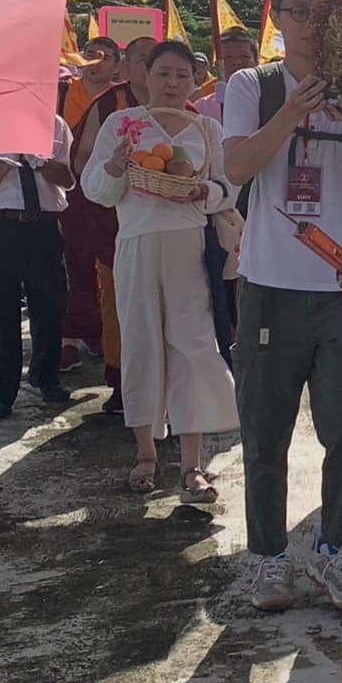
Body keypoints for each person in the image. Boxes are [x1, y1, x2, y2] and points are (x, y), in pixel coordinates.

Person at [223, 0, 342, 613]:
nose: (305, 26)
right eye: (295, 12)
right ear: (276, 16)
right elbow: (236, 169)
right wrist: (293, 110)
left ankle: (335, 549)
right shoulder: (253, 86)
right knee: (264, 430)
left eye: (319, 16)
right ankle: (268, 556)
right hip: (271, 284)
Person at [82, 39, 239, 497]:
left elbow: (228, 188)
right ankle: (145, 453)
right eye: (163, 73)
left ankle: (192, 464)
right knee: (141, 340)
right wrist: (114, 165)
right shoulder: (121, 123)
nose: (172, 83)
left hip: (189, 245)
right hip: (135, 242)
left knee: (193, 344)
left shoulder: (207, 127)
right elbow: (96, 190)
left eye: (181, 75)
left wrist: (203, 193)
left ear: (194, 80)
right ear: (143, 76)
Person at [0, 118, 75, 428]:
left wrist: (39, 162)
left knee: (51, 303)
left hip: (43, 225)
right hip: (1, 226)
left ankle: (46, 377)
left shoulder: (54, 125)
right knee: (0, 312)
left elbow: (67, 179)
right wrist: (7, 162)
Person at [72, 33, 157, 414]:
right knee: (118, 301)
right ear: (125, 65)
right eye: (141, 59)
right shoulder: (110, 103)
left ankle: (163, 382)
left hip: (166, 222)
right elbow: (82, 160)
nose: (149, 68)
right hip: (115, 218)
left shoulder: (182, 106)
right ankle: (123, 380)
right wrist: (114, 173)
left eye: (155, 60)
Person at [58, 35, 121, 369]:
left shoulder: (120, 98)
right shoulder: (65, 93)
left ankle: (100, 333)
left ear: (116, 64)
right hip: (69, 188)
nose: (98, 61)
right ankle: (69, 335)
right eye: (90, 55)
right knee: (74, 263)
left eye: (106, 56)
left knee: (107, 263)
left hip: (111, 189)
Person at [197, 26, 259, 124]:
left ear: (257, 62)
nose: (236, 62)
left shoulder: (269, 102)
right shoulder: (201, 108)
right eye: (228, 56)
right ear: (218, 64)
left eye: (244, 56)